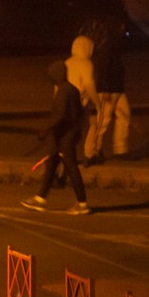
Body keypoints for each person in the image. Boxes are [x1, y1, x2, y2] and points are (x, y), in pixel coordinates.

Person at [22, 61, 90, 215]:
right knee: (51, 165)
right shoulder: (72, 89)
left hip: (64, 136)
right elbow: (78, 113)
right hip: (68, 134)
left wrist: (45, 131)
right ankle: (40, 199)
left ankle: (82, 203)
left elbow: (59, 115)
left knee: (71, 168)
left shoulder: (63, 91)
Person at [86, 19, 130, 164]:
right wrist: (104, 89)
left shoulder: (112, 45)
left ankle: (120, 149)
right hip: (110, 89)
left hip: (116, 88)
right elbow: (104, 69)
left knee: (123, 117)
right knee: (103, 121)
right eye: (121, 27)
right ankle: (95, 150)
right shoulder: (109, 47)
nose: (124, 29)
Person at [64, 34, 101, 165]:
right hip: (79, 103)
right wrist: (97, 103)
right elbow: (89, 86)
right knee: (92, 125)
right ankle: (89, 154)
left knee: (68, 132)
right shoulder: (87, 64)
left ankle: (65, 156)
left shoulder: (67, 62)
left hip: (64, 103)